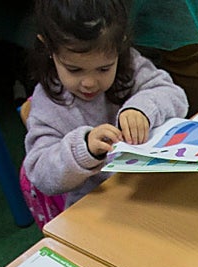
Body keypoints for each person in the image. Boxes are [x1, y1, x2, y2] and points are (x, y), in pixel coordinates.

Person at [22, 0, 188, 223]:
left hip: (153, 187)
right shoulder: (50, 102)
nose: (89, 83)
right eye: (74, 69)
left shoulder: (131, 66)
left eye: (104, 68)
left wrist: (142, 109)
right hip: (98, 210)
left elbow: (175, 96)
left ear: (121, 45)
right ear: (49, 49)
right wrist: (84, 149)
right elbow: (41, 174)